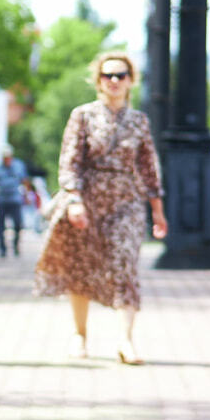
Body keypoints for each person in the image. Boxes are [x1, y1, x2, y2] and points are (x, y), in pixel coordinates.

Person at [33, 51, 167, 365]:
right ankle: (80, 334)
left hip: (126, 201)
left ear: (131, 81)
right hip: (88, 200)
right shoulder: (83, 115)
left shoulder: (139, 121)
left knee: (125, 264)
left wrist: (158, 210)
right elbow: (69, 162)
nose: (115, 81)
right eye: (109, 75)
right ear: (99, 81)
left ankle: (126, 340)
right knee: (81, 267)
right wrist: (75, 200)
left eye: (121, 75)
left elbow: (149, 167)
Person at [0, 144, 28, 257]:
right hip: (1, 201)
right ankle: (2, 249)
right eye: (5, 157)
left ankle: (15, 246)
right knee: (0, 227)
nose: (7, 159)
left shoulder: (19, 166)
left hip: (15, 200)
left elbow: (24, 181)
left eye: (9, 157)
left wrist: (26, 196)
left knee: (18, 224)